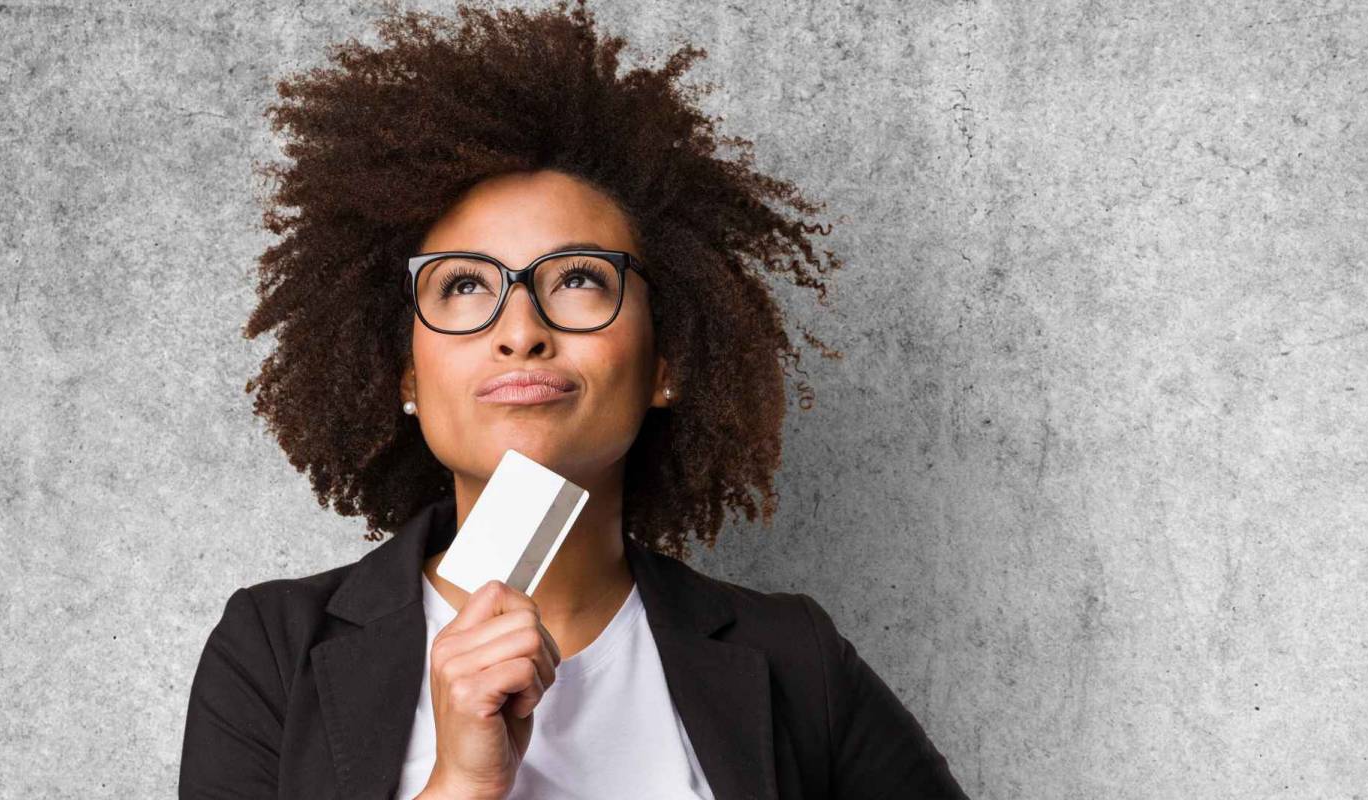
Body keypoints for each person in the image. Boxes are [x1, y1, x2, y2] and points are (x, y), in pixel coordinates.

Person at [180, 2, 967, 798]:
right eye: (463, 286)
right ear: (406, 376)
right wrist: (461, 782)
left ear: (666, 364)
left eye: (581, 279)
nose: (521, 331)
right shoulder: (273, 651)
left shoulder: (795, 660)